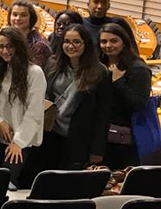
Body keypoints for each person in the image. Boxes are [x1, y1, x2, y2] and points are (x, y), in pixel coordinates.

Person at [39, 24, 112, 171]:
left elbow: (103, 114)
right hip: (51, 132)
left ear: (86, 43)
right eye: (66, 41)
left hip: (79, 138)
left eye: (76, 42)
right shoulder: (53, 64)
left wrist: (97, 149)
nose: (71, 46)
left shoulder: (100, 72)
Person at [0, 27, 47, 188]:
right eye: (1, 46)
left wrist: (18, 143)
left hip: (21, 143)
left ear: (19, 46)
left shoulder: (34, 72)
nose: (5, 51)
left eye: (10, 46)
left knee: (5, 185)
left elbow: (34, 113)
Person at [99, 23, 153, 169]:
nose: (108, 45)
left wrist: (118, 81)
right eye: (103, 41)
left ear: (124, 42)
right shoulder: (99, 64)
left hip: (124, 141)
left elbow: (139, 103)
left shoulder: (138, 69)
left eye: (114, 41)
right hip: (99, 137)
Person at [7, 0, 52, 68]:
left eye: (23, 15)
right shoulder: (8, 38)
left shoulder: (39, 45)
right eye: (14, 15)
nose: (18, 18)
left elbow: (36, 75)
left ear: (31, 18)